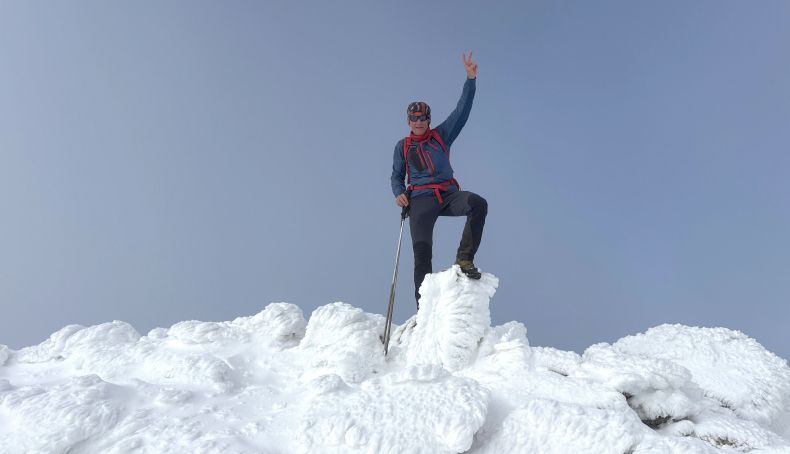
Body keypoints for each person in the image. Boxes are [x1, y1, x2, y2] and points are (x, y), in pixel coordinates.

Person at [390, 51, 488, 307]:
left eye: (423, 117)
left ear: (429, 119)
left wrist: (470, 80)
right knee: (422, 253)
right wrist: (398, 192)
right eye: (414, 118)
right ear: (408, 121)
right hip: (421, 199)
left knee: (478, 204)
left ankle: (464, 259)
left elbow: (461, 112)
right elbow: (396, 175)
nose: (419, 121)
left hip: (447, 194)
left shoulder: (440, 136)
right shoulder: (403, 146)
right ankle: (424, 307)